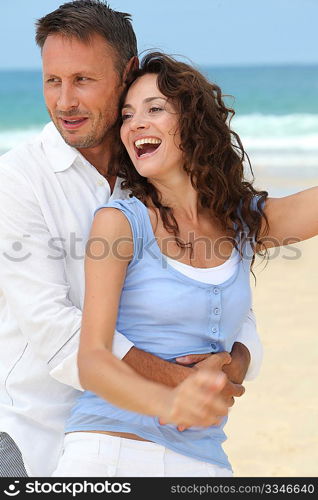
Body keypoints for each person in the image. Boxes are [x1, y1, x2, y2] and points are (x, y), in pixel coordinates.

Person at [0, 1, 262, 478]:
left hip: (159, 440)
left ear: (128, 73)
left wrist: (235, 365)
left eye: (83, 80)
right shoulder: (17, 179)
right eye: (52, 81)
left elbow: (225, 291)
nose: (64, 102)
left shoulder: (155, 168)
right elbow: (54, 329)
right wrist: (181, 383)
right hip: (29, 437)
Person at [52, 51, 318, 478]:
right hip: (109, 453)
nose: (135, 123)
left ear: (194, 124)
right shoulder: (120, 223)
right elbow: (93, 359)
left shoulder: (242, 222)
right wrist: (168, 401)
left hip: (204, 461)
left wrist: (238, 360)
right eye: (127, 115)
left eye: (154, 109)